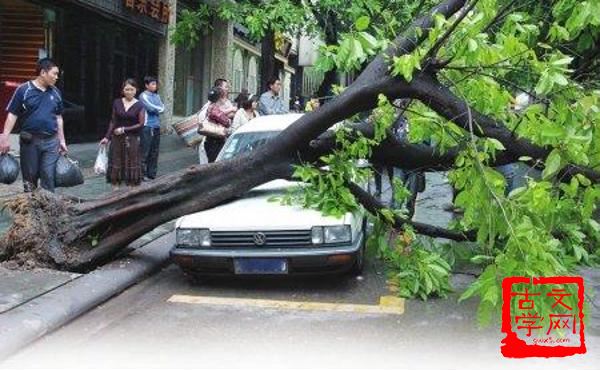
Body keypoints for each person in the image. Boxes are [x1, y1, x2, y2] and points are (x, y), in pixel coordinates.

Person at [0, 58, 68, 192]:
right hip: (29, 141)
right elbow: (12, 114)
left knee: (48, 176)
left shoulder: (56, 92)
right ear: (43, 72)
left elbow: (59, 117)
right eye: (54, 74)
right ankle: (32, 210)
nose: (56, 77)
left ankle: (49, 210)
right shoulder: (23, 90)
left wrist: (62, 140)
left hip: (51, 141)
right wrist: (4, 137)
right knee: (30, 178)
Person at [100, 78, 145, 188]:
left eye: (131, 89)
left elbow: (141, 123)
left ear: (136, 90)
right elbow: (113, 121)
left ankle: (132, 192)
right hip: (117, 139)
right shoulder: (117, 102)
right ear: (122, 90)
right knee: (116, 162)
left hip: (132, 139)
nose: (129, 92)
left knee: (132, 162)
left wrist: (124, 129)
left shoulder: (140, 105)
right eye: (126, 89)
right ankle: (115, 191)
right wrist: (107, 137)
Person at [197, 78, 237, 164]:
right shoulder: (212, 108)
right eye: (225, 87)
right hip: (214, 140)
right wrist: (230, 112)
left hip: (215, 140)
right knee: (213, 164)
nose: (227, 89)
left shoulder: (213, 106)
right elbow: (227, 122)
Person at [139, 76, 165, 181]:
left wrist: (157, 109)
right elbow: (150, 108)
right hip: (147, 126)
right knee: (145, 151)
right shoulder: (143, 96)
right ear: (146, 85)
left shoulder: (157, 96)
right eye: (153, 84)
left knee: (155, 151)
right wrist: (157, 108)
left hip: (156, 126)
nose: (155, 86)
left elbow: (162, 108)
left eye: (155, 84)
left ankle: (152, 174)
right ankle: (142, 174)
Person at [204, 87, 232, 162]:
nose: (225, 99)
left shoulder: (210, 106)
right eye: (224, 97)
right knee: (215, 164)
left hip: (211, 140)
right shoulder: (215, 109)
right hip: (215, 142)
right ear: (220, 98)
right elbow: (227, 122)